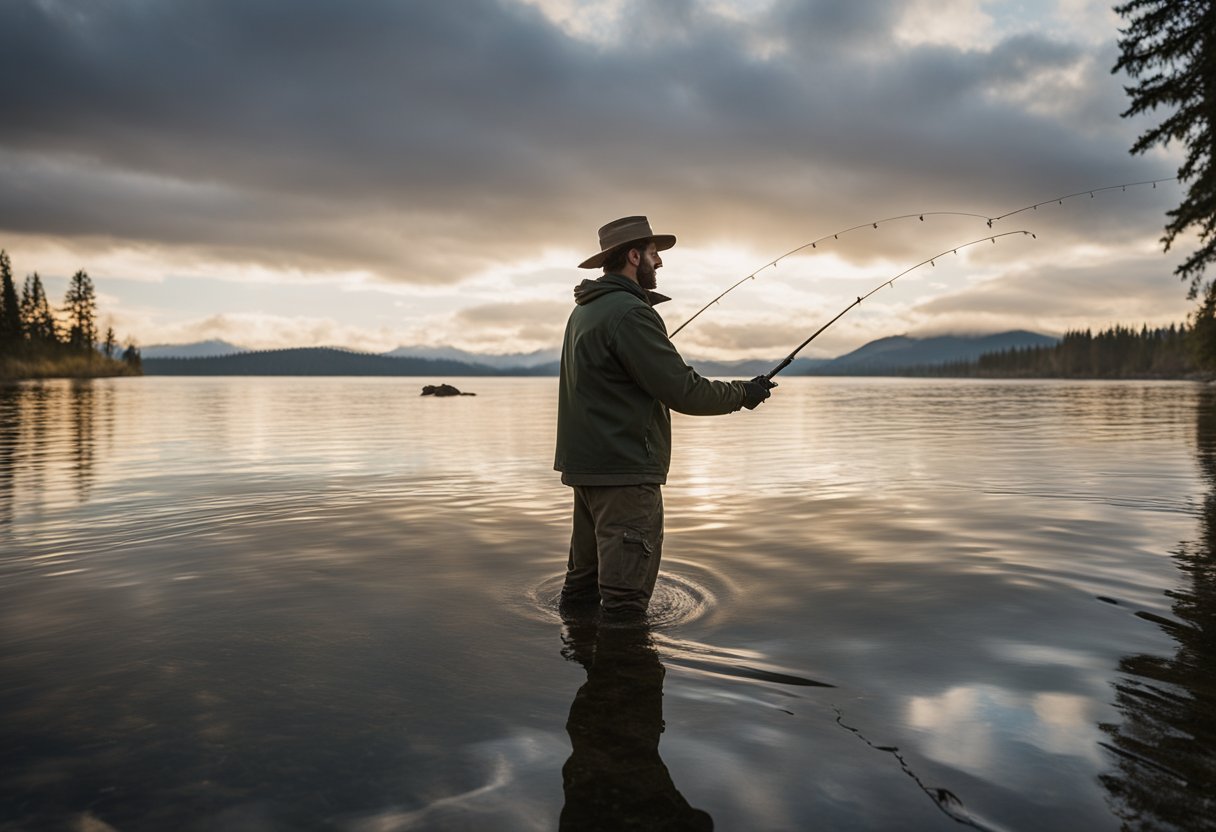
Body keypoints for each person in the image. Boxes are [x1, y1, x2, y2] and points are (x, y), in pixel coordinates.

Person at [554, 216, 775, 617]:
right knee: (625, 601)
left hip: (586, 471)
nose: (660, 263)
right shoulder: (629, 314)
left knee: (581, 590)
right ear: (633, 255)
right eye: (654, 254)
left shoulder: (584, 312)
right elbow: (683, 390)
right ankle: (623, 677)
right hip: (625, 475)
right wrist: (743, 393)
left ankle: (577, 659)